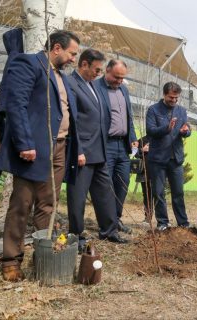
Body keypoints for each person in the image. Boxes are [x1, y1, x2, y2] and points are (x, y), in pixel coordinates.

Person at [0, 30, 80, 281]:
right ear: (56, 48)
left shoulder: (61, 77)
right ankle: (11, 260)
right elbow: (15, 103)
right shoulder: (29, 63)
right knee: (22, 204)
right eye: (72, 54)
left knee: (47, 205)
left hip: (59, 148)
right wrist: (24, 143)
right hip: (34, 149)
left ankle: (41, 255)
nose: (74, 59)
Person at [66, 49, 127, 249]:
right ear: (84, 64)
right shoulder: (71, 84)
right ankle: (76, 236)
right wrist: (78, 150)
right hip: (83, 152)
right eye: (96, 69)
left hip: (100, 150)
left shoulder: (92, 85)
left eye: (101, 71)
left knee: (105, 193)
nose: (98, 74)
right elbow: (72, 121)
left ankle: (109, 230)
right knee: (78, 197)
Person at [95, 60, 138, 234]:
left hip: (123, 146)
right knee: (106, 186)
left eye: (122, 78)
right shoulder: (96, 87)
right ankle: (106, 224)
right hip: (106, 144)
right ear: (107, 71)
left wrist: (133, 138)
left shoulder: (124, 90)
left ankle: (116, 219)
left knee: (122, 183)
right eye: (116, 77)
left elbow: (129, 118)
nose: (120, 81)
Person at [146, 82, 191, 230]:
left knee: (178, 193)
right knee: (159, 193)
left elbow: (187, 129)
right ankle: (163, 223)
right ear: (164, 95)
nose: (174, 100)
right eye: (171, 97)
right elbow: (151, 130)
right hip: (157, 160)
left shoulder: (182, 111)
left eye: (176, 98)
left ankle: (183, 223)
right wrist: (167, 128)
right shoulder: (153, 110)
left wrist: (186, 131)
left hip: (175, 159)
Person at [135, 135, 152, 223]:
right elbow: (134, 152)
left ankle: (163, 220)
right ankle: (148, 218)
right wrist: (142, 150)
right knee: (146, 195)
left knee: (159, 195)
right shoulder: (142, 140)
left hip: (157, 172)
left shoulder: (161, 138)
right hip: (144, 172)